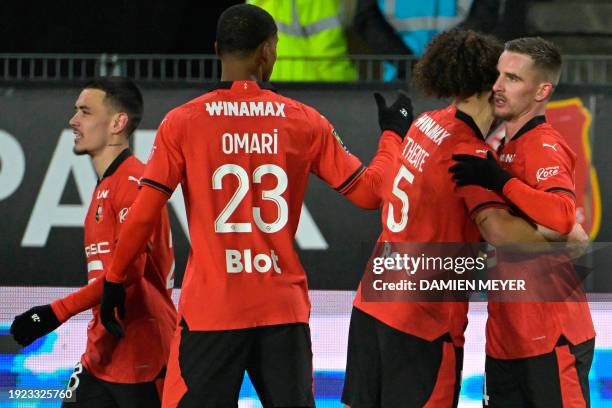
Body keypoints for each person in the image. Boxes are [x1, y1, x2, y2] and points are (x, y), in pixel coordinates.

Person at [99, 4, 412, 407]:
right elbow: (370, 193)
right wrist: (392, 135)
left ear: (217, 50)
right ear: (267, 51)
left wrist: (114, 279)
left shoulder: (183, 121)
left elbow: (145, 212)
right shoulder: (303, 120)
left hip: (211, 310)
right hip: (282, 310)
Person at [342, 29, 569, 408]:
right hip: (423, 321)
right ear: (488, 83)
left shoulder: (425, 123)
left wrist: (391, 135)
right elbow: (498, 231)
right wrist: (559, 239)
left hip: (372, 303)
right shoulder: (468, 152)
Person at [10, 77, 177, 408]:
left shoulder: (132, 183)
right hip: (104, 350)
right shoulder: (108, 185)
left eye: (85, 112)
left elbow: (128, 273)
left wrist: (55, 312)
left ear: (118, 122)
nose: (73, 121)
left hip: (143, 355)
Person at [450, 37, 595, 407]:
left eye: (512, 78)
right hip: (507, 336)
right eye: (498, 75)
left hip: (551, 337)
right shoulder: (504, 147)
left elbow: (563, 215)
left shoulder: (542, 145)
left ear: (542, 91)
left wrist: (500, 181)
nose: (497, 86)